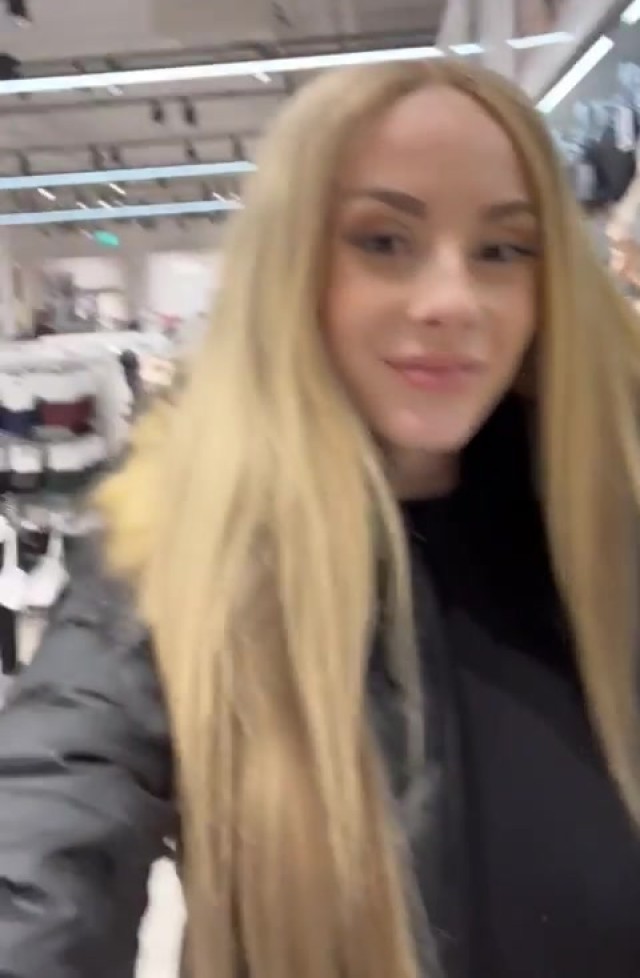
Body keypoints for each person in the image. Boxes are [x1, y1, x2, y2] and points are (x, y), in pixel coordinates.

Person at [0, 59, 640, 978]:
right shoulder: (178, 554)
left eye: (502, 250)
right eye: (384, 241)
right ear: (292, 265)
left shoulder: (607, 526)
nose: (452, 301)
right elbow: (45, 835)